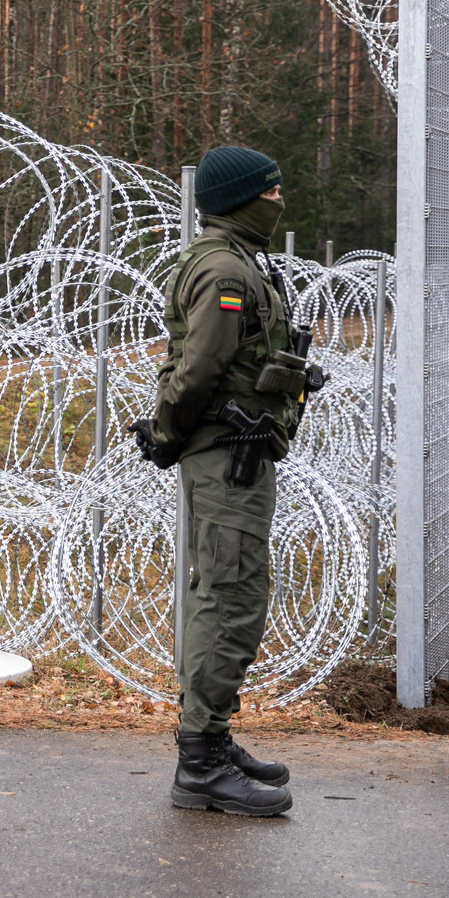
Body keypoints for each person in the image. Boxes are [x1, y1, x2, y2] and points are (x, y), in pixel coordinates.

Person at [132, 145, 313, 818]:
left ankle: (211, 737)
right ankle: (200, 761)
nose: (279, 199)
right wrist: (167, 432)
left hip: (239, 453)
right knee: (228, 597)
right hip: (225, 455)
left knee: (228, 591)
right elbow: (201, 369)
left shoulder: (239, 262)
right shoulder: (222, 270)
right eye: (270, 190)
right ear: (242, 198)